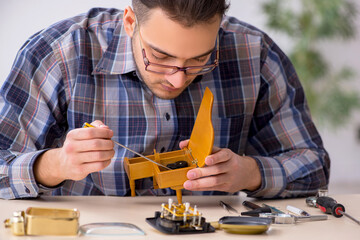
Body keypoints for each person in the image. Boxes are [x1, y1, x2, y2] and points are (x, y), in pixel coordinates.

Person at [0, 0, 330, 200]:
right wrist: (55, 165)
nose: (177, 79)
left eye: (201, 59)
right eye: (160, 56)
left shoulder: (254, 54)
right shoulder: (59, 52)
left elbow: (314, 167)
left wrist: (251, 173)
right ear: (131, 22)